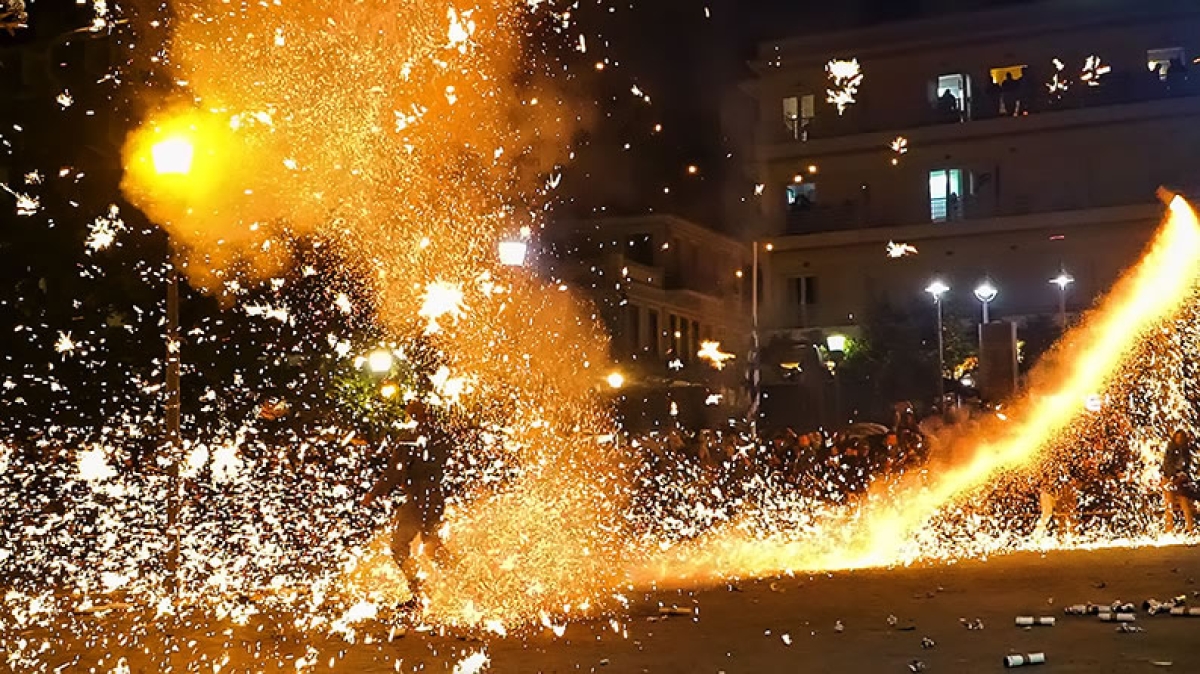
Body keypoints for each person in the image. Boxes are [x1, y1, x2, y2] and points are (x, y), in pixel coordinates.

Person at [362, 400, 453, 602]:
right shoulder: (441, 437)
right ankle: (464, 580)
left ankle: (420, 591)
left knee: (398, 546)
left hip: (418, 499)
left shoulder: (409, 439)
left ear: (411, 415)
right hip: (436, 497)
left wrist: (373, 494)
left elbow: (395, 471)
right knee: (432, 546)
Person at [1162, 429, 1196, 535]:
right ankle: (1169, 529)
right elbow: (1167, 465)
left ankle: (1191, 528)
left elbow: (1187, 466)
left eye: (1181, 438)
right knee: (1169, 505)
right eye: (1177, 437)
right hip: (1169, 478)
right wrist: (1173, 477)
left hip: (1181, 480)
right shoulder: (1170, 450)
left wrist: (1183, 475)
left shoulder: (1186, 451)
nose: (1179, 440)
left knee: (1185, 503)